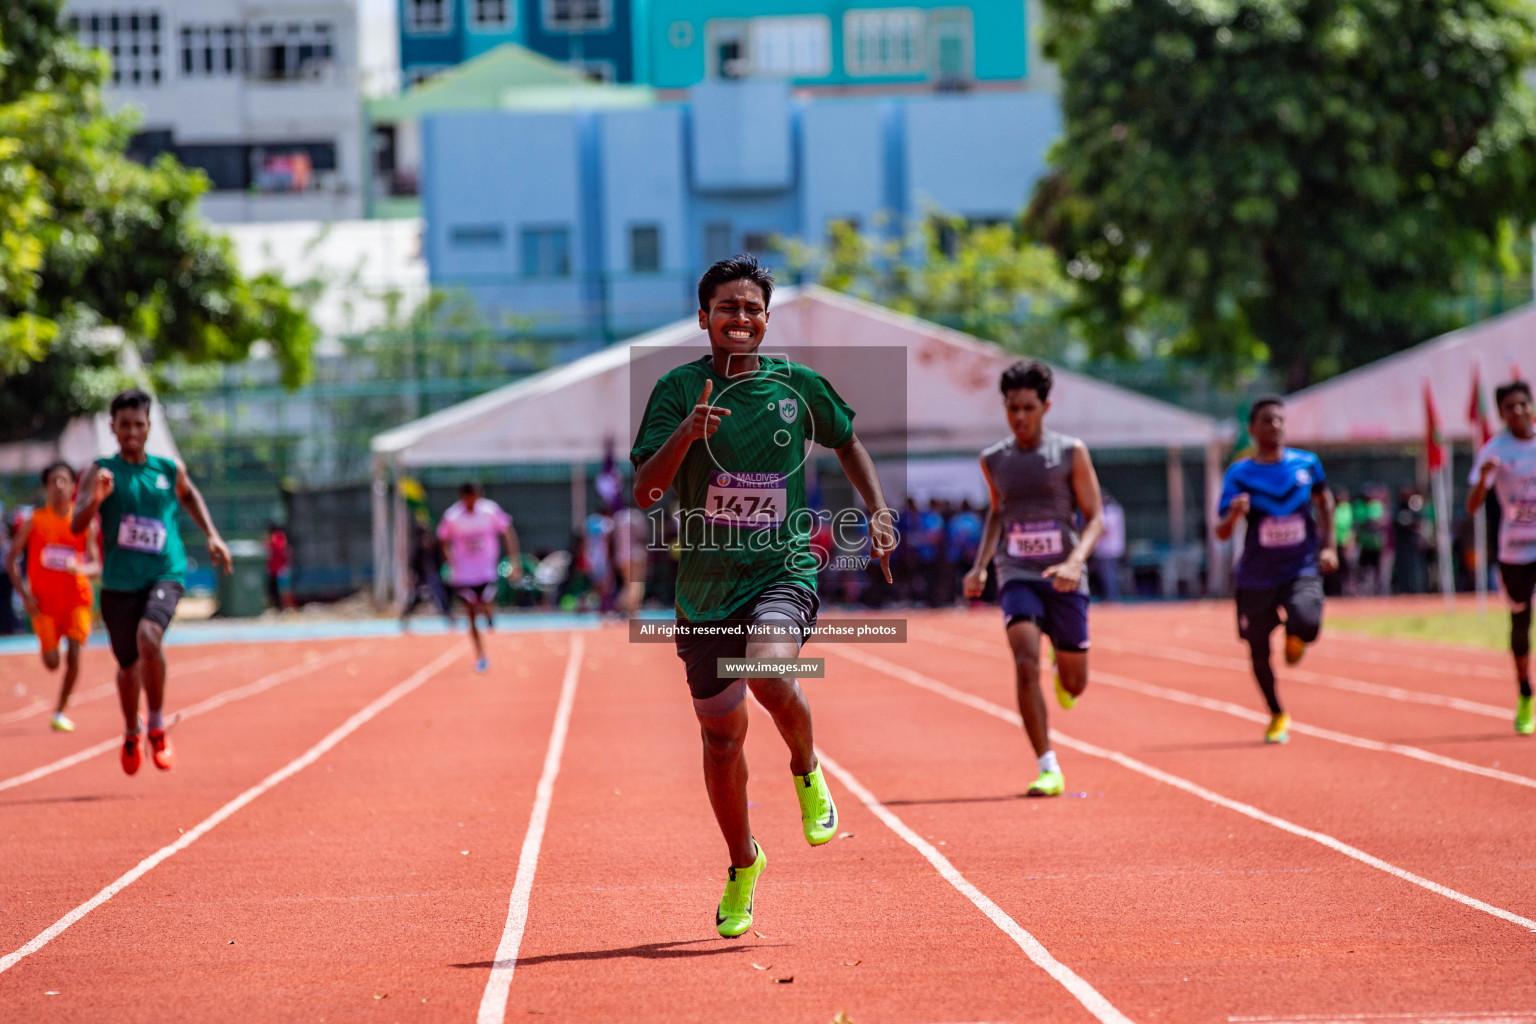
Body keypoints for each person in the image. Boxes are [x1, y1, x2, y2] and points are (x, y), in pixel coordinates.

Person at [631, 254, 895, 938]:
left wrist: (878, 510)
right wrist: (686, 435)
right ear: (704, 318)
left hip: (781, 570)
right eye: (727, 308)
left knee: (773, 669)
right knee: (721, 740)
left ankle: (807, 769)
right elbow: (644, 493)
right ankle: (743, 863)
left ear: (765, 319)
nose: (740, 318)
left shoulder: (797, 386)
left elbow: (850, 440)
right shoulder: (675, 390)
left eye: (752, 308)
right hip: (703, 592)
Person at [963, 359, 1105, 798]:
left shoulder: (1070, 452)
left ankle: (1065, 675)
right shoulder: (994, 459)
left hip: (1063, 576)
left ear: (1045, 406)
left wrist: (1076, 561)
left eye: (1027, 408)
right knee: (1024, 659)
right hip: (1018, 572)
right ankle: (1048, 765)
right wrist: (981, 565)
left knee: (1075, 682)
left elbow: (1095, 516)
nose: (1019, 417)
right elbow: (997, 511)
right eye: (1012, 409)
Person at [73, 388, 232, 775]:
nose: (131, 432)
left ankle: (157, 726)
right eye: (124, 425)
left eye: (138, 425)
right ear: (113, 427)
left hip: (164, 571)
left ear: (149, 427)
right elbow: (77, 524)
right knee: (128, 668)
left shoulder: (167, 469)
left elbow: (189, 495)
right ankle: (132, 730)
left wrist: (211, 534)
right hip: (118, 583)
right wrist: (97, 499)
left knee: (149, 637)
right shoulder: (101, 470)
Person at [1214, 396, 1337, 745]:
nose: (1275, 426)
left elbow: (1324, 500)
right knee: (1257, 649)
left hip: (1300, 566)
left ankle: (1296, 635)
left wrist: (1328, 545)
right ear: (1252, 429)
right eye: (1267, 420)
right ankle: (1276, 713)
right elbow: (1220, 531)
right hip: (1256, 575)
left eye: (1280, 420)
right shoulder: (1240, 474)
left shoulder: (1307, 464)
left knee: (1309, 623)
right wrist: (1234, 515)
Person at [5, 462, 102, 732]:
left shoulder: (84, 522)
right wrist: (24, 595)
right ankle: (50, 645)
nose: (58, 486)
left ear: (73, 487)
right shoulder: (35, 520)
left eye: (64, 480)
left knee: (73, 657)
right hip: (44, 604)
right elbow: (12, 558)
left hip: (77, 600)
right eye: (53, 482)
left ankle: (59, 711)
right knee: (52, 662)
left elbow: (96, 565)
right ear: (46, 488)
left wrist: (80, 568)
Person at [1466, 379, 1536, 735]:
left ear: (1531, 406)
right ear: (1501, 414)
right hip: (1514, 550)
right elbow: (1472, 505)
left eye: (1522, 404)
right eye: (1510, 407)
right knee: (1521, 623)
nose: (1518, 412)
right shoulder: (1494, 450)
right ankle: (1525, 692)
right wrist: (1485, 480)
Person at [437, 483, 521, 672]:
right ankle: (481, 655)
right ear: (462, 498)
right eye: (468, 500)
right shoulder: (452, 517)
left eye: (474, 499)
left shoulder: (489, 511)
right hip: (464, 573)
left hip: (486, 571)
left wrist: (514, 561)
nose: (471, 503)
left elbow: (507, 532)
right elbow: (443, 539)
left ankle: (489, 611)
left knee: (485, 602)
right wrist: (450, 562)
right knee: (471, 613)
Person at [400, 520, 450, 629]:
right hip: (422, 578)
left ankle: (448, 616)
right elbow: (413, 564)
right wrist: (411, 576)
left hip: (434, 577)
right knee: (415, 598)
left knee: (440, 595)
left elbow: (441, 560)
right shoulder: (417, 549)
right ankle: (405, 617)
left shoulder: (434, 547)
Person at [1092, 494, 1126, 602]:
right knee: (1105, 575)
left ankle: (1112, 598)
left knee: (1109, 575)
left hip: (1110, 550)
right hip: (1105, 550)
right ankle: (1109, 597)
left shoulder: (1112, 511)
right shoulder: (1106, 511)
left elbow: (1105, 530)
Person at [265, 521, 291, 611]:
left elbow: (279, 548)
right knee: (273, 587)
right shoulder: (274, 537)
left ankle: (281, 606)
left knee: (281, 588)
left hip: (279, 567)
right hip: (273, 567)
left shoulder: (278, 536)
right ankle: (276, 605)